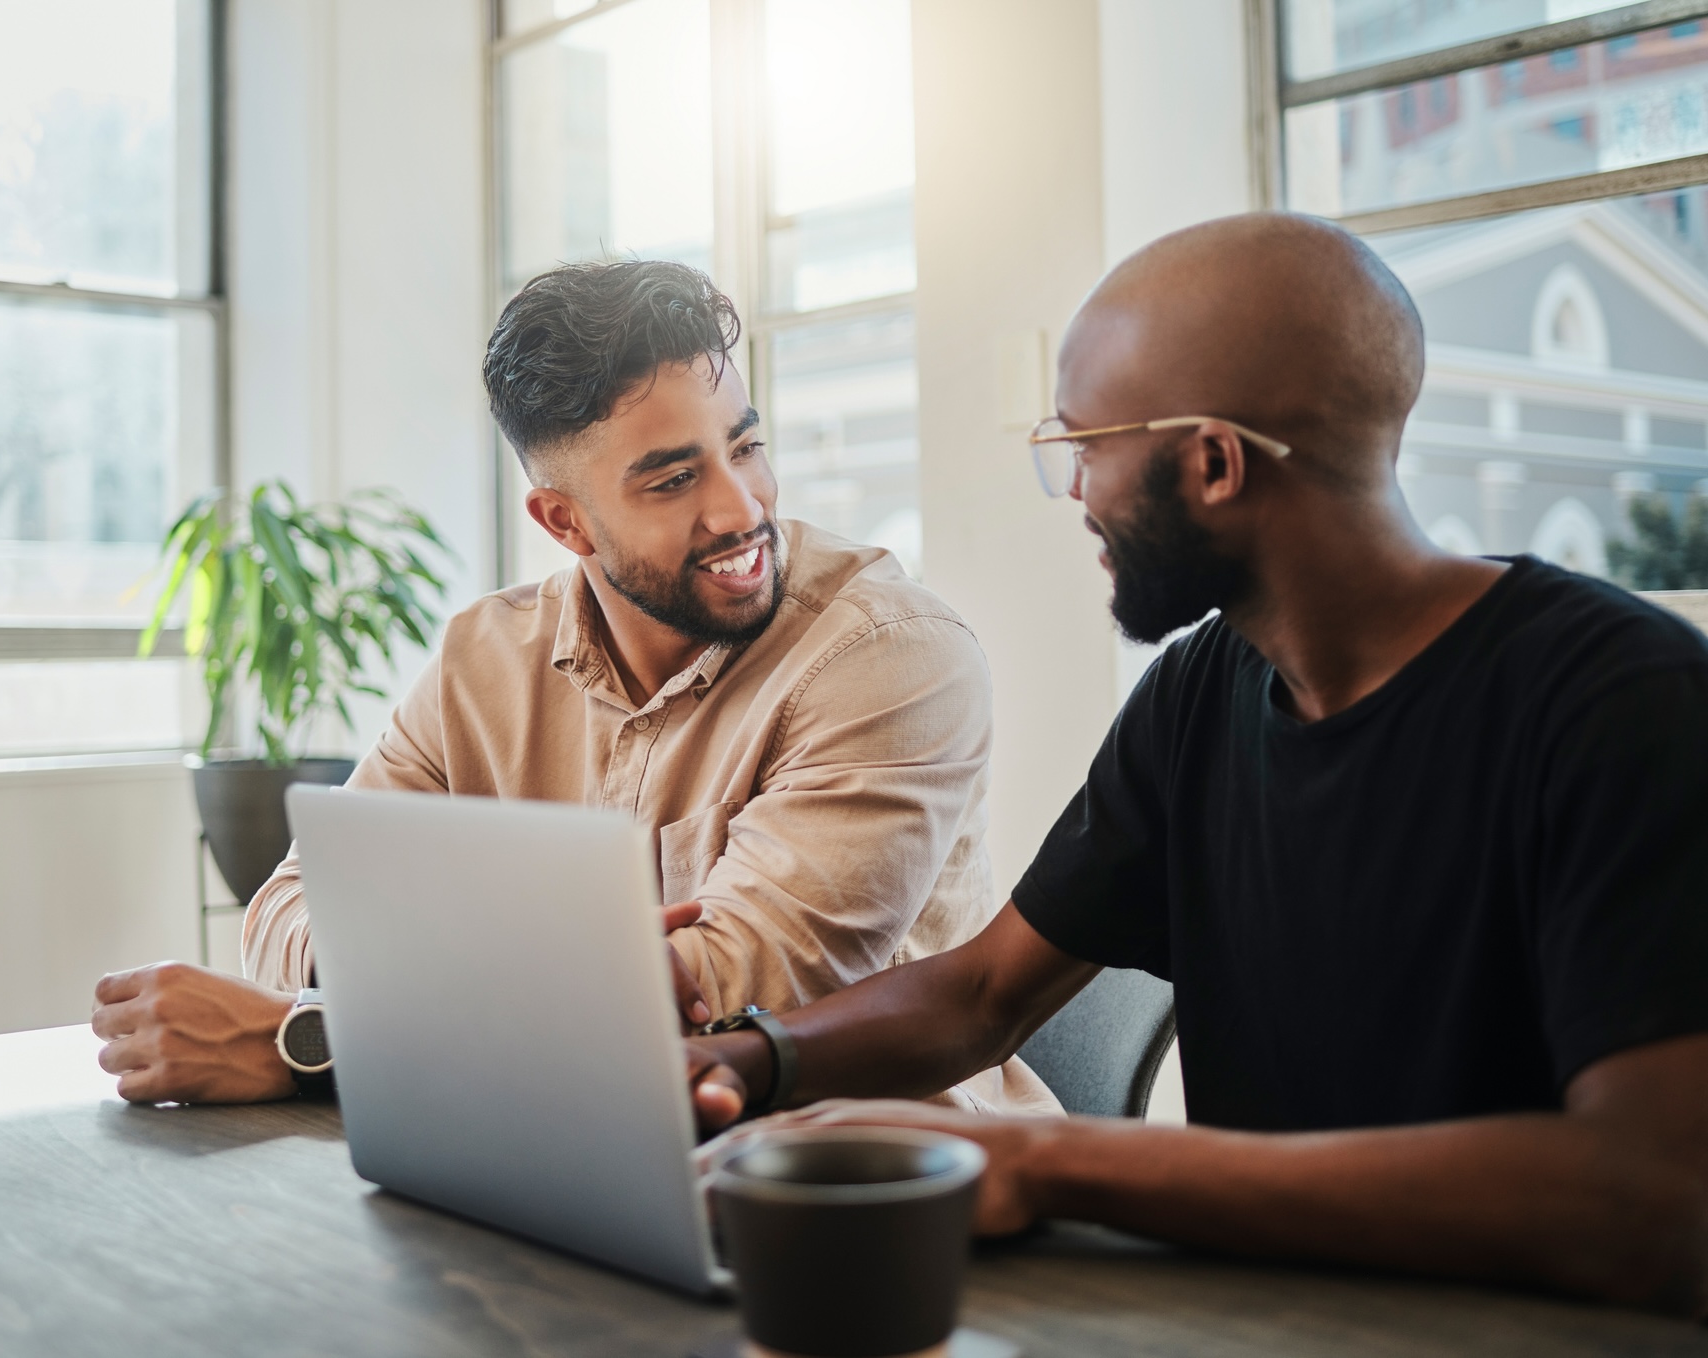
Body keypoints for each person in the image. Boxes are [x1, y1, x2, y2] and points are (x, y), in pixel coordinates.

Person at [684, 214, 1708, 1315]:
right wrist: (750, 1059)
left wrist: (1042, 1163)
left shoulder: (1624, 701)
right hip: (1273, 1326)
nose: (1074, 489)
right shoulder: (1202, 688)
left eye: (1084, 445)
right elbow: (983, 991)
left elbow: (1651, 1198)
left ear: (1212, 463)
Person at [90, 260, 1057, 1118]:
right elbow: (291, 910)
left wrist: (313, 1043)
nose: (741, 506)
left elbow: (726, 991)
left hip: (871, 1180)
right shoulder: (485, 660)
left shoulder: (888, 653)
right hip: (559, 1147)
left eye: (746, 447)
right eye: (673, 479)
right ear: (565, 522)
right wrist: (549, 973)